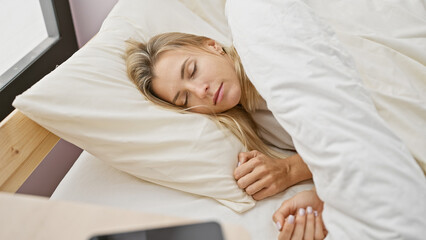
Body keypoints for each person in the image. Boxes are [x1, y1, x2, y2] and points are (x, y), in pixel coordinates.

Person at [125, 32, 326, 239]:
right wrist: (321, 197)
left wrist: (291, 170)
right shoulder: (256, 123)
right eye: (185, 98)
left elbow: (357, 127)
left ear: (212, 46)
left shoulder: (268, 59)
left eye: (192, 70)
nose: (200, 91)